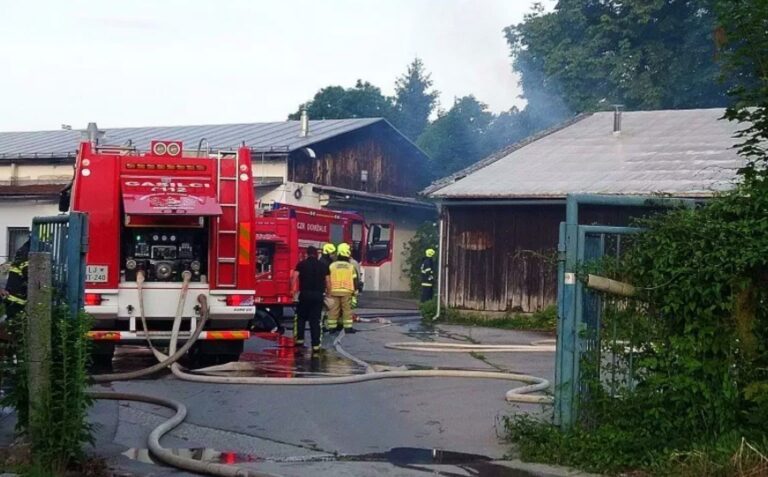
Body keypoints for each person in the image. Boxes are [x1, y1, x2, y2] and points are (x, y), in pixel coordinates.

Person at [291, 245, 330, 353]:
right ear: (316, 254)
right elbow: (328, 281)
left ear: (307, 254)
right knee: (315, 321)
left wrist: (292, 290)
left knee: (301, 318)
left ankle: (299, 340)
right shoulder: (323, 266)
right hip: (318, 296)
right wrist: (329, 293)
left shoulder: (301, 264)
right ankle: (315, 345)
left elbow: (294, 277)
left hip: (305, 295)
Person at [327, 243, 359, 333]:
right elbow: (355, 280)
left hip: (334, 291)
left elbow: (327, 278)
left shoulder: (332, 266)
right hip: (347, 291)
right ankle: (348, 328)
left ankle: (332, 328)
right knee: (347, 310)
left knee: (333, 310)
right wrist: (356, 291)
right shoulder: (351, 267)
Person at [1, 239, 30, 325]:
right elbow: (28, 275)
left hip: (12, 296)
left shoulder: (22, 252)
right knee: (12, 323)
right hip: (16, 298)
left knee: (10, 322)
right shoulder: (26, 254)